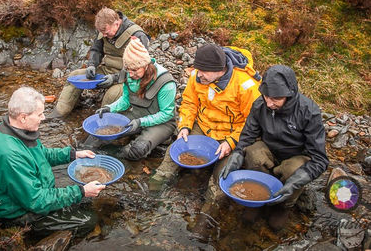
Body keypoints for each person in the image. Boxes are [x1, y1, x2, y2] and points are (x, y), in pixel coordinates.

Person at [151, 43, 262, 239]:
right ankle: (151, 193)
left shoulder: (247, 87)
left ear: (219, 70)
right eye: (197, 69)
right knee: (174, 152)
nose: (197, 74)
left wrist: (230, 143)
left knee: (222, 178)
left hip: (230, 135)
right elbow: (189, 102)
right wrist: (184, 126)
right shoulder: (198, 76)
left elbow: (252, 124)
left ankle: (204, 221)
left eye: (202, 71)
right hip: (202, 127)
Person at [0, 86, 105, 235]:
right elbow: (36, 201)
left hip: (32, 194)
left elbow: (41, 154)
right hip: (17, 213)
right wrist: (81, 191)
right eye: (40, 114)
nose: (44, 118)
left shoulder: (16, 130)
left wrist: (73, 154)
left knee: (84, 198)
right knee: (89, 220)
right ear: (23, 117)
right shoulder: (9, 154)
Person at [220, 65, 329, 230]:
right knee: (252, 151)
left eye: (276, 99)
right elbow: (248, 137)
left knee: (293, 170)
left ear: (289, 94)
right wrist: (237, 155)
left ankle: (284, 204)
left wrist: (294, 182)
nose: (269, 103)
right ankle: (259, 196)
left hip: (295, 157)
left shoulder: (309, 112)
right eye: (266, 97)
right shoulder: (260, 104)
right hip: (269, 152)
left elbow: (320, 160)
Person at [54, 7, 149, 117]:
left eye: (106, 32)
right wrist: (92, 65)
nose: (104, 35)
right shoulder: (104, 31)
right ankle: (60, 113)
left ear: (117, 24)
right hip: (107, 70)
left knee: (111, 95)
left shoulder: (137, 35)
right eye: (101, 32)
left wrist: (115, 78)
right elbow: (96, 49)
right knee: (74, 76)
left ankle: (102, 123)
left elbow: (141, 68)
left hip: (129, 77)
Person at [94, 37, 177, 160]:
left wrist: (141, 122)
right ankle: (89, 152)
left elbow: (167, 114)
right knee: (102, 131)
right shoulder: (128, 74)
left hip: (162, 123)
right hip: (137, 115)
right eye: (128, 70)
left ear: (146, 65)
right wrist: (109, 108)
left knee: (137, 150)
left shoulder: (166, 83)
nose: (131, 74)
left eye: (135, 70)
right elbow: (126, 100)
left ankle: (113, 156)